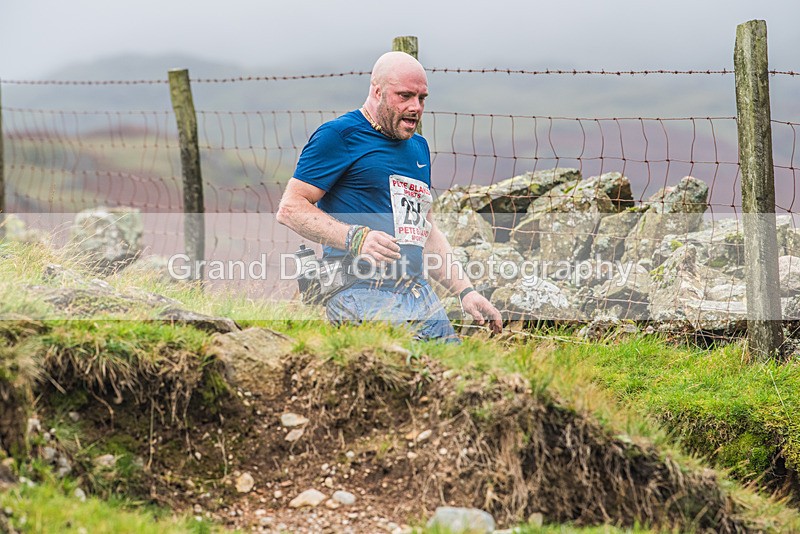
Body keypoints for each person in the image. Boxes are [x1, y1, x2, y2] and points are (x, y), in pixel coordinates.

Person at [276, 51, 502, 341]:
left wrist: (466, 291)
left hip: (419, 295)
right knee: (408, 373)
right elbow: (291, 207)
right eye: (405, 96)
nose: (415, 107)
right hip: (359, 290)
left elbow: (426, 230)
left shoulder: (419, 147)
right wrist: (356, 238)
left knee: (455, 378)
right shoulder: (339, 135)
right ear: (377, 91)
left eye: (422, 98)